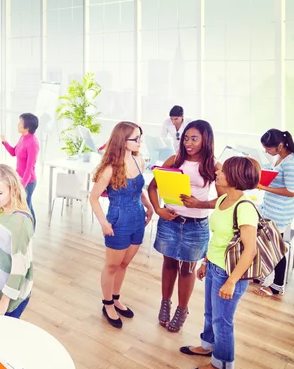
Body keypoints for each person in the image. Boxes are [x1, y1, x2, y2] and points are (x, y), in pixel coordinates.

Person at [180, 156, 260, 369]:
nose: (217, 173)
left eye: (222, 171)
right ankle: (207, 345)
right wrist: (206, 262)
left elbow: (250, 250)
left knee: (222, 320)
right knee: (210, 313)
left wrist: (232, 280)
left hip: (229, 273)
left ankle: (220, 363)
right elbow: (217, 239)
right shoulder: (223, 199)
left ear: (234, 177)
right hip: (215, 266)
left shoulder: (245, 208)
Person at [148, 120, 223, 333]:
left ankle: (182, 309)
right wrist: (159, 209)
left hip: (196, 225)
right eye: (186, 138)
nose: (188, 143)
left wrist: (200, 204)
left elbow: (224, 200)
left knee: (187, 268)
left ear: (205, 139)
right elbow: (153, 187)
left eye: (194, 138)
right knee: (169, 264)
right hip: (170, 222)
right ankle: (165, 303)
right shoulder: (175, 159)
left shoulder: (213, 166)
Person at [89, 122, 154, 329]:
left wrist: (149, 206)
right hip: (118, 220)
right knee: (112, 265)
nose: (139, 141)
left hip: (137, 218)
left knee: (124, 264)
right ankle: (107, 303)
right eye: (136, 138)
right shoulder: (109, 169)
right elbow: (93, 198)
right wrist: (104, 223)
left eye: (140, 137)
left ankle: (116, 298)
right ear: (123, 141)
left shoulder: (139, 161)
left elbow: (138, 189)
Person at [0, 164, 34, 319]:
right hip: (3, 284)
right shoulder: (1, 211)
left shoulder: (20, 221)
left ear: (14, 190)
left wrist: (5, 301)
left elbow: (20, 267)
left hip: (13, 292)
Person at [253, 129, 294, 297]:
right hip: (270, 207)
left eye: (268, 148)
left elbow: (291, 191)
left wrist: (264, 187)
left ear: (280, 145)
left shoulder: (291, 162)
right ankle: (259, 276)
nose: (266, 151)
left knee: (275, 248)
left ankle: (277, 285)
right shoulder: (280, 157)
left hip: (280, 211)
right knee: (262, 242)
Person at [0, 113, 40, 229]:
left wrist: (22, 185)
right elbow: (14, 152)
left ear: (26, 127)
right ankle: (26, 231)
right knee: (25, 206)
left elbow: (30, 167)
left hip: (28, 182)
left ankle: (29, 231)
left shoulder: (33, 142)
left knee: (25, 207)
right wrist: (4, 142)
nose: (17, 124)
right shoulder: (23, 138)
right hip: (19, 179)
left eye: (20, 122)